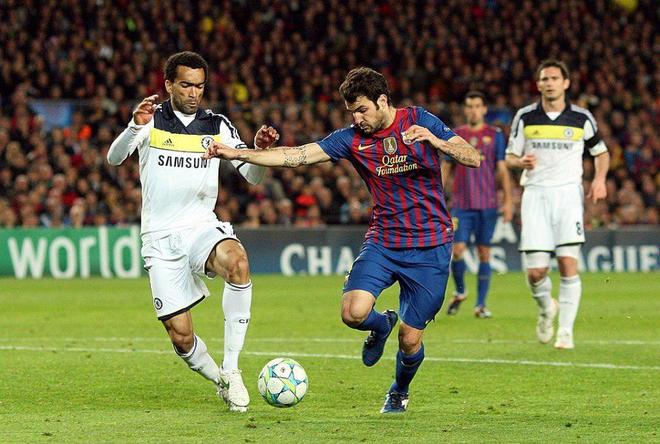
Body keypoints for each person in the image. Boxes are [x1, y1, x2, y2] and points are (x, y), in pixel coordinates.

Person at [204, 67, 481, 413]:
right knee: (353, 313)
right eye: (352, 112)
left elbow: (473, 157)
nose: (357, 118)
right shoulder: (351, 139)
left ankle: (399, 390)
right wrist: (239, 154)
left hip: (431, 245)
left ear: (382, 101)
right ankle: (382, 323)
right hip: (384, 241)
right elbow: (297, 155)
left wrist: (436, 142)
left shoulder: (419, 120)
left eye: (362, 110)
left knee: (410, 341)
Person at [107, 51, 279, 412]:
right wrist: (134, 126)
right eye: (186, 85)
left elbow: (252, 176)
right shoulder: (151, 120)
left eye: (200, 86)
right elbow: (114, 158)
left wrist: (259, 152)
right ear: (169, 84)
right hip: (159, 238)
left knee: (238, 263)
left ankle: (232, 369)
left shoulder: (217, 124)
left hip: (201, 227)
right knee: (181, 337)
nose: (193, 93)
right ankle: (220, 380)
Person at [505, 59, 609, 349]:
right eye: (544, 79)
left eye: (554, 78)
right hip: (535, 194)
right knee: (536, 272)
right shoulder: (526, 116)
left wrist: (600, 180)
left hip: (567, 196)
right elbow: (509, 157)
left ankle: (565, 331)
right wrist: (520, 162)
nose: (549, 83)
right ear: (538, 84)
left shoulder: (581, 117)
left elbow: (601, 152)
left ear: (566, 83)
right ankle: (546, 309)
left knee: (567, 263)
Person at [443, 91, 513, 318]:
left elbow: (502, 169)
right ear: (465, 110)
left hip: (487, 204)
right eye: (469, 106)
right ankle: (460, 291)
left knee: (484, 253)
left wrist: (508, 201)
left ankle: (480, 305)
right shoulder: (456, 135)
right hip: (461, 205)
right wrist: (437, 197)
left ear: (484, 109)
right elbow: (446, 167)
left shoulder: (495, 135)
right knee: (457, 250)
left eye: (477, 106)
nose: (473, 110)